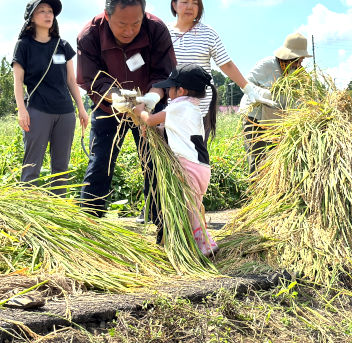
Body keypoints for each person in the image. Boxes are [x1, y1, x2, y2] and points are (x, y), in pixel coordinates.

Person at [76, 0, 176, 223]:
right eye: (122, 24)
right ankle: (90, 221)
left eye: (136, 23)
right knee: (100, 160)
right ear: (107, 16)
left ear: (144, 15)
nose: (129, 31)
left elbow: (165, 73)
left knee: (156, 161)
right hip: (108, 108)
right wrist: (118, 98)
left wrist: (151, 98)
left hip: (149, 106)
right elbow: (91, 80)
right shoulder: (89, 35)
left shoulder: (156, 29)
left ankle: (158, 217)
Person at [132, 63, 218, 256]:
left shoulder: (179, 106)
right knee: (193, 207)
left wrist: (141, 112)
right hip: (200, 167)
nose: (168, 91)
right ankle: (195, 244)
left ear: (181, 90)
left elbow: (150, 119)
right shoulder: (192, 108)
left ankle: (205, 247)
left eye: (170, 87)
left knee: (190, 211)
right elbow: (171, 130)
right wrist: (157, 129)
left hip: (188, 167)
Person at [169, 0, 275, 143]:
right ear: (174, 5)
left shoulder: (208, 33)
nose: (190, 6)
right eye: (185, 1)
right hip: (170, 108)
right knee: (170, 154)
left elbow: (226, 64)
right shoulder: (163, 32)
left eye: (195, 3)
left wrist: (248, 89)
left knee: (196, 156)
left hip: (200, 109)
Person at [12, 0, 88, 196]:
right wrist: (21, 109)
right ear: (31, 18)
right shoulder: (23, 45)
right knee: (31, 165)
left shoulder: (62, 46)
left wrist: (81, 108)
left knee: (61, 167)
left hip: (65, 112)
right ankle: (28, 209)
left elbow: (71, 80)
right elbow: (18, 82)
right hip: (37, 110)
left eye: (50, 11)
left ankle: (58, 212)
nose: (48, 15)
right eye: (42, 11)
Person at [239, 32, 312, 174]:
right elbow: (245, 83)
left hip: (277, 120)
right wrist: (265, 94)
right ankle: (255, 193)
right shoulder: (267, 65)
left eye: (301, 61)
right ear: (289, 56)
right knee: (257, 159)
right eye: (298, 60)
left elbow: (306, 95)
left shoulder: (299, 73)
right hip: (255, 116)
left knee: (277, 160)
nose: (299, 64)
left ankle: (274, 193)